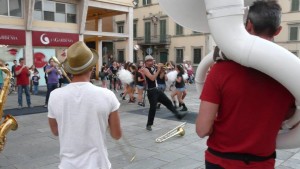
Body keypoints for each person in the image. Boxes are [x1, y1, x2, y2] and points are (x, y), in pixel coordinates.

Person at [195, 1, 296, 169]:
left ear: (248, 25)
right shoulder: (291, 75)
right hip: (261, 164)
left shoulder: (220, 70)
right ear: (278, 31)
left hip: (220, 161)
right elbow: (291, 117)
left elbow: (202, 129)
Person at [48, 41, 121, 169]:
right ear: (91, 67)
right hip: (98, 164)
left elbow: (55, 131)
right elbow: (116, 135)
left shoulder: (54, 96)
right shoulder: (107, 95)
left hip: (67, 165)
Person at [141, 55, 187, 131]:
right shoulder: (145, 69)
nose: (151, 62)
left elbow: (162, 77)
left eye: (152, 60)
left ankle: (178, 115)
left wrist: (163, 71)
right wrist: (159, 70)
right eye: (149, 61)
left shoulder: (154, 68)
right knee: (153, 108)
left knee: (168, 102)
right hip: (151, 91)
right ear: (146, 62)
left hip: (157, 89)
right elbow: (152, 78)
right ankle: (149, 124)